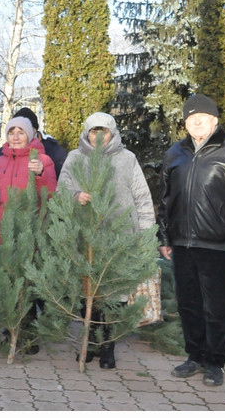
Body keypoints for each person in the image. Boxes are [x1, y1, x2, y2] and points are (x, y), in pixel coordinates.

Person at [158, 94, 225, 387]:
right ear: (185, 122)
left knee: (217, 306)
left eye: (202, 116)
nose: (196, 121)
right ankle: (195, 355)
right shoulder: (174, 153)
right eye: (190, 117)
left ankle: (215, 362)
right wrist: (164, 236)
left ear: (215, 119)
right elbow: (165, 200)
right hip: (182, 244)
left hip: (217, 245)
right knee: (188, 304)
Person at [58, 112, 155, 369]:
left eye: (104, 131)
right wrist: (76, 194)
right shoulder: (75, 157)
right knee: (87, 291)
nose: (98, 136)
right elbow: (62, 189)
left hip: (119, 237)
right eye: (93, 131)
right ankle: (89, 342)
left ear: (113, 133)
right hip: (84, 236)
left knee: (114, 292)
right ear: (86, 133)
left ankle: (108, 345)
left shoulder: (127, 159)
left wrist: (146, 235)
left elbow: (142, 198)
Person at [0, 116, 57, 244]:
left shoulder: (42, 160)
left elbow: (51, 194)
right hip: (0, 229)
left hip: (29, 229)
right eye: (11, 133)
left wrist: (40, 174)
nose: (15, 138)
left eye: (21, 133)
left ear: (29, 135)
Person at [0, 107, 68, 178]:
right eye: (13, 132)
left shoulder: (54, 151)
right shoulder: (2, 153)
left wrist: (42, 173)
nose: (16, 137)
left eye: (22, 131)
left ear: (34, 130)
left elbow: (61, 181)